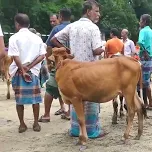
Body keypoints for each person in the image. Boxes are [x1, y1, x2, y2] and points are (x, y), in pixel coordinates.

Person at [51, 0, 105, 139]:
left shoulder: (72, 26)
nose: (98, 14)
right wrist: (105, 46)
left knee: (76, 99)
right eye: (96, 11)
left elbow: (54, 39)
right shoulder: (93, 28)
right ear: (88, 11)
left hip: (74, 71)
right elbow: (96, 50)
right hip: (89, 71)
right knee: (92, 98)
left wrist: (67, 52)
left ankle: (76, 130)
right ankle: (92, 131)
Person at [8, 14, 46, 133]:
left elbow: (15, 56)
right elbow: (42, 56)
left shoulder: (14, 38)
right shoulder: (37, 38)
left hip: (19, 71)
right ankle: (35, 123)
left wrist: (23, 69)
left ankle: (22, 124)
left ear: (17, 24)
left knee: (19, 100)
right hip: (33, 72)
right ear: (28, 24)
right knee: (36, 99)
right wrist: (29, 67)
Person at [39, 8, 72, 123]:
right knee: (72, 89)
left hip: (59, 64)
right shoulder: (74, 27)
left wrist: (48, 63)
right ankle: (68, 112)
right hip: (73, 64)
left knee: (50, 87)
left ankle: (47, 115)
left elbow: (48, 47)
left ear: (60, 17)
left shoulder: (56, 29)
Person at [138, 14, 152, 110]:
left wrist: (144, 52)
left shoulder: (143, 31)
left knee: (144, 82)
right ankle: (149, 102)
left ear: (144, 21)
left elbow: (140, 42)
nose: (139, 22)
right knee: (147, 80)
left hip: (145, 57)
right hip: (151, 58)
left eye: (140, 20)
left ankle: (148, 103)